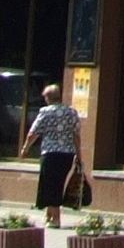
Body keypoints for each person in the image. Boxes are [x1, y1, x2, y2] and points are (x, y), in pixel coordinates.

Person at [25, 83, 83, 227]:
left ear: (48, 97)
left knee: (51, 184)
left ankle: (55, 219)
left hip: (50, 154)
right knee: (56, 183)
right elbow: (76, 135)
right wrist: (79, 155)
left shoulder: (45, 112)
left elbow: (33, 132)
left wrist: (25, 148)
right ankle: (49, 216)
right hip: (67, 155)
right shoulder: (71, 112)